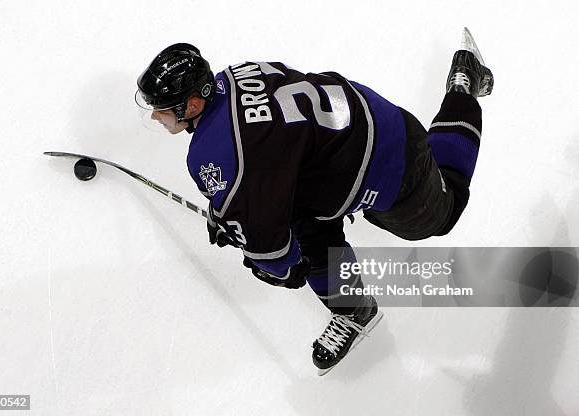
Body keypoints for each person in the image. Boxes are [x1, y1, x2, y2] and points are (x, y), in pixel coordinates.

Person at [135, 28, 494, 375]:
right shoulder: (232, 76)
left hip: (389, 160)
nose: (155, 116)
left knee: (442, 212)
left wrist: (280, 265)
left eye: (162, 109)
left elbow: (271, 250)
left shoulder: (213, 154)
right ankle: (355, 311)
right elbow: (265, 155)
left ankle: (465, 83)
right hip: (358, 124)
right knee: (306, 227)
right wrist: (231, 208)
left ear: (193, 104)